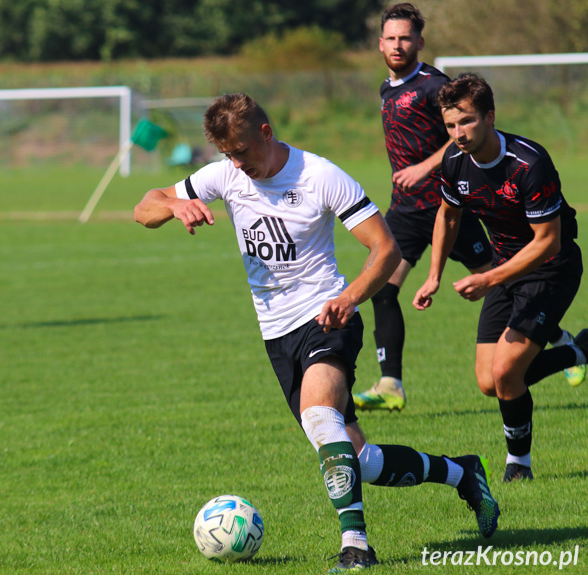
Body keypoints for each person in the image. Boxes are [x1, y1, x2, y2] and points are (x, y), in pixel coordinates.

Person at [135, 93, 499, 572]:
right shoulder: (224, 174)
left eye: (242, 151)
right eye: (228, 155)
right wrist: (175, 208)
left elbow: (384, 249)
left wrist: (348, 299)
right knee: (358, 460)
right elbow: (145, 207)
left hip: (328, 318)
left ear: (265, 133)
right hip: (275, 334)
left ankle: (356, 547)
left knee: (320, 417)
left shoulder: (318, 175)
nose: (237, 164)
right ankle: (464, 473)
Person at [413, 73, 587, 482]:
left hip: (552, 269)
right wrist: (433, 274)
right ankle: (577, 353)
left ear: (490, 117)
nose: (458, 133)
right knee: (489, 382)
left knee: (508, 373)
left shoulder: (529, 163)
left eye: (467, 121)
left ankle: (518, 466)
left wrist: (488, 280)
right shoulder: (454, 162)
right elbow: (448, 214)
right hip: (505, 269)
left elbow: (547, 242)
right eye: (451, 124)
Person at [352, 3, 496, 412]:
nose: (398, 45)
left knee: (497, 283)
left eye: (406, 38)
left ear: (420, 42)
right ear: (380, 43)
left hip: (448, 208)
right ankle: (390, 384)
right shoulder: (387, 88)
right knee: (381, 287)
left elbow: (465, 132)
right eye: (391, 38)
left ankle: (557, 338)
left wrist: (424, 167)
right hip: (406, 211)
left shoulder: (435, 86)